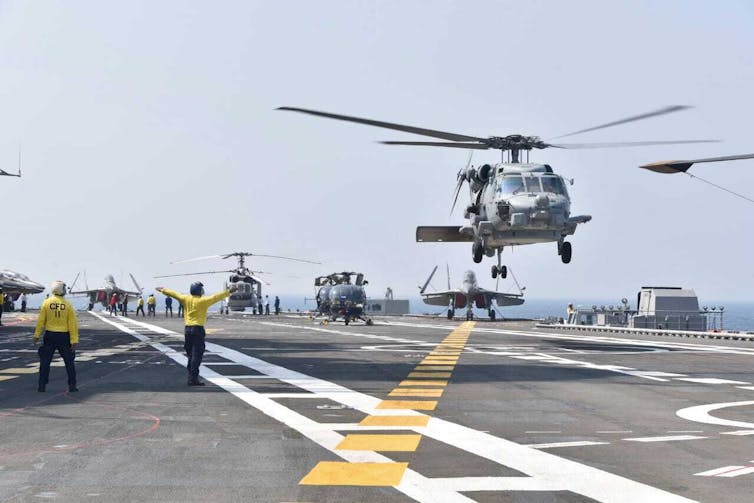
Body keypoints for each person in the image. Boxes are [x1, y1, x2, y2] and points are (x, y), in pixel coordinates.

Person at [157, 282, 233, 386]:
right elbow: (216, 297)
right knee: (197, 355)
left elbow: (174, 294)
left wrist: (163, 289)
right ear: (199, 290)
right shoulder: (204, 301)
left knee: (190, 355)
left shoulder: (185, 298)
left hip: (187, 330)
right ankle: (193, 379)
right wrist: (229, 292)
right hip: (198, 330)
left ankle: (191, 377)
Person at [34, 281, 78, 392]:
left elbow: (41, 321)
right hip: (64, 336)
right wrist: (74, 340)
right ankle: (72, 385)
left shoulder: (46, 303)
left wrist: (36, 335)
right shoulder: (68, 304)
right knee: (69, 362)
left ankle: (41, 385)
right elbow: (72, 324)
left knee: (45, 361)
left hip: (50, 335)